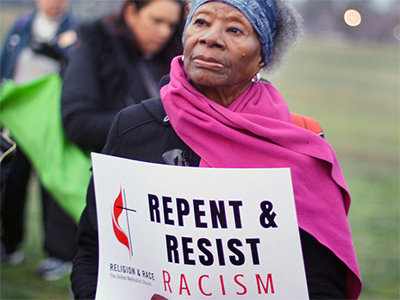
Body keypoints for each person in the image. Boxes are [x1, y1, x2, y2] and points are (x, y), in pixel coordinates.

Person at [71, 0, 363, 299]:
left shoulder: (299, 147)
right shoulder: (134, 128)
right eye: (201, 22)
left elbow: (321, 281)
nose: (210, 37)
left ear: (263, 54)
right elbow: (95, 252)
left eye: (235, 29)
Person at [0, 0, 80, 280]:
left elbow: (80, 70)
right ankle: (9, 243)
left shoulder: (77, 29)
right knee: (12, 183)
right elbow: (5, 67)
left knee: (52, 188)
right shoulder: (21, 26)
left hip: (52, 124)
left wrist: (61, 53)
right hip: (19, 122)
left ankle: (57, 254)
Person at [61, 0, 186, 154]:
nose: (165, 32)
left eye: (171, 25)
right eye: (157, 21)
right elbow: (77, 122)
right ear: (130, 12)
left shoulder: (170, 59)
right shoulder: (97, 48)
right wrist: (146, 126)